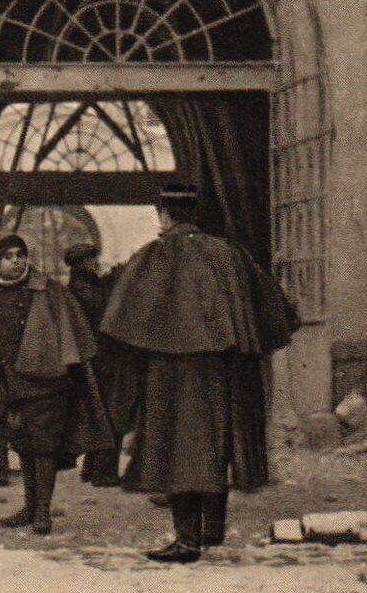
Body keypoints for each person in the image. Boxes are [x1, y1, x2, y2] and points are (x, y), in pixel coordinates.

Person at [101, 183, 297, 563]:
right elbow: (274, 306)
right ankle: (212, 530)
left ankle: (187, 541)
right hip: (223, 370)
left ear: (164, 215)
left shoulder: (155, 255)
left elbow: (121, 320)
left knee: (178, 447)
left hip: (171, 370)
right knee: (215, 444)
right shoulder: (228, 254)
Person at [0, 234, 114, 535]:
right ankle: (29, 506)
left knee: (44, 447)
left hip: (47, 383)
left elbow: (74, 333)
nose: (16, 261)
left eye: (20, 254)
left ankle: (42, 513)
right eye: (8, 256)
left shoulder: (49, 291)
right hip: (11, 384)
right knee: (23, 445)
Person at [66, 242, 133, 488]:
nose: (95, 263)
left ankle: (91, 467)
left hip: (98, 359)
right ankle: (104, 473)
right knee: (110, 413)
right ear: (79, 264)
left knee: (101, 413)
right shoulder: (82, 289)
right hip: (101, 359)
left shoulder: (85, 285)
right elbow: (107, 308)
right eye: (90, 259)